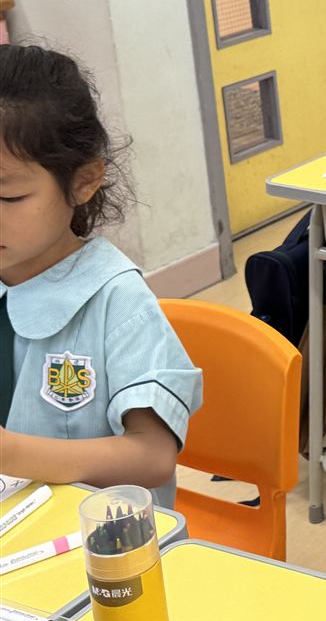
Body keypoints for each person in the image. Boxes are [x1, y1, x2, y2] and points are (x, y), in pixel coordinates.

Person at [0, 44, 202, 507]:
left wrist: (11, 454)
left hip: (96, 536)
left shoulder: (117, 301)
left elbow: (152, 456)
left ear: (84, 181)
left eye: (8, 198)